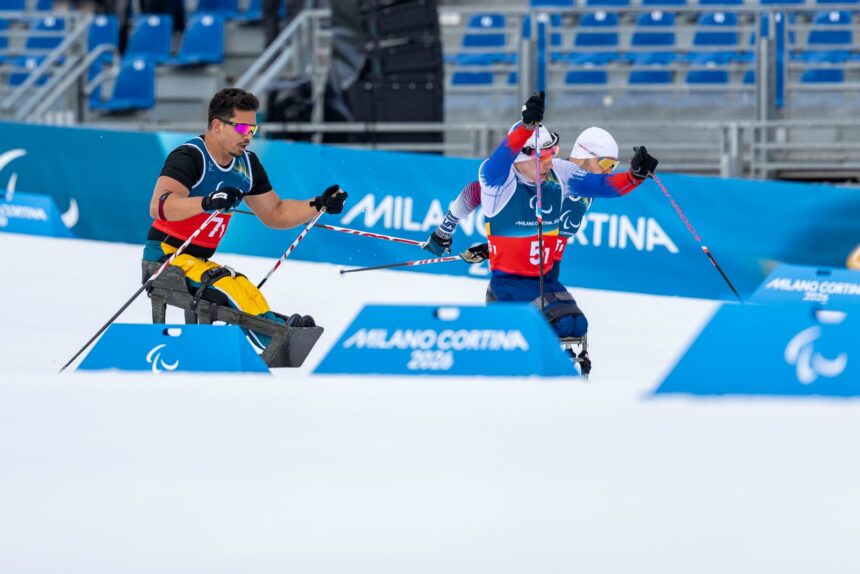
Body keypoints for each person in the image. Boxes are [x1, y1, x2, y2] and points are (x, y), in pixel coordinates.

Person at [423, 92, 657, 341]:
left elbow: (604, 186)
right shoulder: (499, 180)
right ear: (523, 156)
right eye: (544, 157)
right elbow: (483, 180)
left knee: (577, 326)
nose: (550, 162)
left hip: (545, 274)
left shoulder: (561, 174)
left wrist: (635, 176)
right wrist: (445, 230)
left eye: (553, 153)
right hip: (513, 281)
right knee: (563, 325)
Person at [142, 87, 347, 347]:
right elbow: (159, 205)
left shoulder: (247, 164)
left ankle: (277, 327)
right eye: (242, 129)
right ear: (217, 125)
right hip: (165, 254)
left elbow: (276, 213)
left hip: (198, 261)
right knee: (228, 284)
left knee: (242, 285)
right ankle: (272, 336)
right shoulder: (190, 156)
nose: (248, 136)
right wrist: (206, 202)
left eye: (253, 130)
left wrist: (318, 205)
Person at [423, 125, 619, 293]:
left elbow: (534, 232)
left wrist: (491, 249)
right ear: (585, 158)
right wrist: (444, 231)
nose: (611, 171)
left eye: (614, 165)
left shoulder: (589, 193)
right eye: (607, 163)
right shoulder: (548, 176)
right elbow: (476, 191)